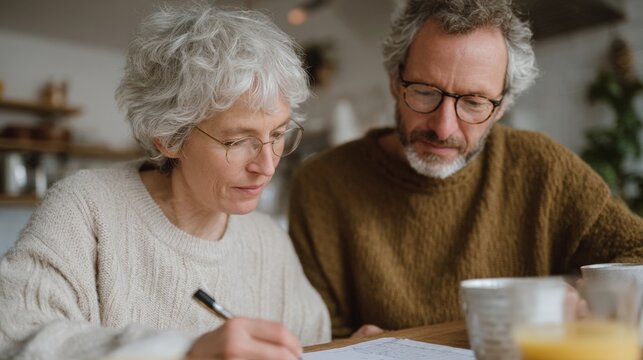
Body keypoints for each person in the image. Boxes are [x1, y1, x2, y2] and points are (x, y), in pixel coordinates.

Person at [288, 0, 643, 338]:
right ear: (395, 82)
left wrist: (592, 300)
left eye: (473, 102)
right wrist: (352, 342)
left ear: (502, 105)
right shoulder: (321, 186)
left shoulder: (543, 168)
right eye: (426, 93)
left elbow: (636, 253)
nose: (444, 128)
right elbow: (313, 331)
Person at [0, 3, 331, 359]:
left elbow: (315, 345)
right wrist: (183, 352)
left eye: (278, 134)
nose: (266, 165)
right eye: (238, 141)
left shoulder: (269, 242)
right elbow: (15, 339)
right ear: (169, 136)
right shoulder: (85, 208)